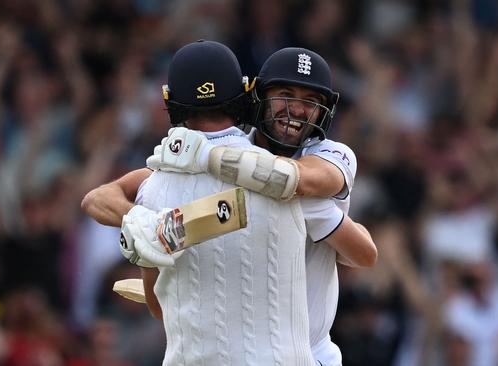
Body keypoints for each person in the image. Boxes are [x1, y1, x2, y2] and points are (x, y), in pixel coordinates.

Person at [84, 40, 374, 365]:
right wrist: (144, 222)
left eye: (310, 101)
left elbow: (310, 190)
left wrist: (201, 155)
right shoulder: (179, 173)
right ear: (253, 96)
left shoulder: (317, 169)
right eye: (285, 96)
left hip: (310, 351)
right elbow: (99, 197)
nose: (296, 109)